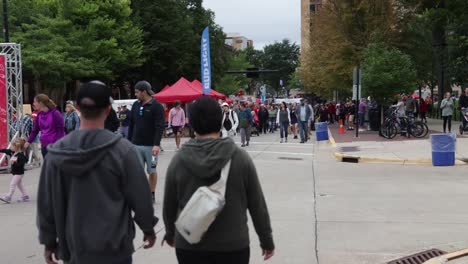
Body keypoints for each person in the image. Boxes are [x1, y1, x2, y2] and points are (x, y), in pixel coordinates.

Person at [37, 81, 157, 264]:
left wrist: (48, 241)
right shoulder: (123, 151)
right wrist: (147, 227)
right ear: (108, 109)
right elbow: (140, 195)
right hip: (116, 248)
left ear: (77, 107)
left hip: (75, 247)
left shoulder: (56, 153)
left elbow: (46, 203)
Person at [162, 96, 275, 264]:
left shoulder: (179, 160)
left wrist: (170, 233)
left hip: (189, 245)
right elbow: (257, 204)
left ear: (192, 124)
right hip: (232, 246)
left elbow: (169, 204)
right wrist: (266, 240)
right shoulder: (240, 158)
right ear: (220, 120)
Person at [128, 81, 165, 203]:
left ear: (144, 92)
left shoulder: (157, 106)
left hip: (151, 147)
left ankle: (152, 193)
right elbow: (131, 124)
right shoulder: (135, 105)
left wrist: (156, 144)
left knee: (152, 170)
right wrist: (128, 142)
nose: (135, 94)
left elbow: (160, 126)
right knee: (137, 172)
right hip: (136, 145)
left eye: (137, 92)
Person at [0, 138, 29, 203]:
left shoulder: (21, 156)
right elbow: (5, 150)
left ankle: (8, 197)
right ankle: (25, 195)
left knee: (12, 184)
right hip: (16, 173)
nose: (10, 147)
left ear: (17, 147)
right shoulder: (12, 152)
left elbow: (23, 163)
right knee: (19, 185)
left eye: (12, 146)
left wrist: (15, 163)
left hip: (19, 173)